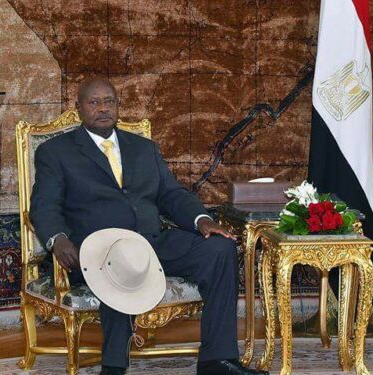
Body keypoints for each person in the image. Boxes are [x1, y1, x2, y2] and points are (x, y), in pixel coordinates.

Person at [30, 77, 268, 375]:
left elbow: (171, 194)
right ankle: (114, 367)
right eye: (94, 102)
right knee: (119, 265)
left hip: (151, 242)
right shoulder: (56, 152)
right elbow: (44, 205)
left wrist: (202, 220)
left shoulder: (143, 148)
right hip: (99, 250)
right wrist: (58, 239)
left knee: (219, 249)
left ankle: (216, 360)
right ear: (79, 108)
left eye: (109, 101)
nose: (103, 108)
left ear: (118, 106)